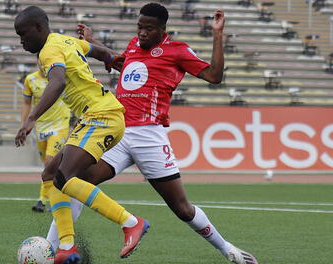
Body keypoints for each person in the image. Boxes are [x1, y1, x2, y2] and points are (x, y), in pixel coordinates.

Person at [48, 3, 258, 264]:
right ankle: (53, 249)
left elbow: (214, 76)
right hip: (119, 131)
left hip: (149, 136)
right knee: (72, 180)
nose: (143, 33)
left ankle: (228, 250)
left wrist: (217, 35)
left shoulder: (177, 51)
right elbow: (118, 62)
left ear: (162, 29)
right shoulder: (134, 45)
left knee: (181, 208)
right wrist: (91, 42)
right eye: (140, 27)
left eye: (149, 28)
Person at [14, 6, 149, 264]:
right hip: (97, 116)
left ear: (40, 28)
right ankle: (67, 246)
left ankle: (130, 222)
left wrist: (31, 118)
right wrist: (110, 59)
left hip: (101, 116)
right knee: (51, 174)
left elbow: (58, 82)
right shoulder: (65, 40)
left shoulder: (48, 51)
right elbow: (94, 50)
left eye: (23, 34)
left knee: (64, 177)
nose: (21, 40)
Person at [21, 58, 71, 212]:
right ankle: (57, 197)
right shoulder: (30, 79)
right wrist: (24, 124)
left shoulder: (61, 77)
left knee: (50, 161)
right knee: (47, 166)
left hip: (60, 124)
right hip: (41, 127)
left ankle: (43, 200)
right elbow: (27, 104)